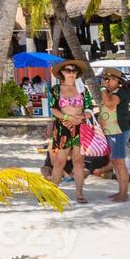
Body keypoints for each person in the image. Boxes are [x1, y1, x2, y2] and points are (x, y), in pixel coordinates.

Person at [48, 60, 94, 204]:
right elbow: (53, 109)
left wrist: (81, 117)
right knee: (59, 162)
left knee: (79, 162)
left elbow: (89, 109)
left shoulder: (83, 90)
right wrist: (67, 117)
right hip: (63, 128)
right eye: (68, 70)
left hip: (80, 128)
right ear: (61, 72)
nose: (71, 73)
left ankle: (79, 193)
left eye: (74, 71)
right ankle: (53, 192)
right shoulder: (55, 89)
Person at [98, 69, 130, 203]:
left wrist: (102, 89)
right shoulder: (112, 92)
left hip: (118, 131)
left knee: (119, 162)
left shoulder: (120, 92)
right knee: (116, 162)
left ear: (117, 81)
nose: (106, 82)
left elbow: (109, 103)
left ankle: (124, 194)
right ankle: (121, 191)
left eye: (109, 79)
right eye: (105, 79)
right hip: (112, 132)